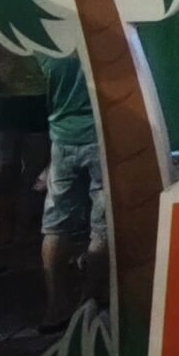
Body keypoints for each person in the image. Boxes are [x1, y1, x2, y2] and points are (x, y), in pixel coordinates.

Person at [41, 54, 108, 332]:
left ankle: (56, 306)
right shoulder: (101, 43)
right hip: (101, 136)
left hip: (61, 137)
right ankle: (88, 304)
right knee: (102, 227)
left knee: (56, 225)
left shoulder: (48, 49)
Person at [0, 42, 49, 254]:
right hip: (14, 100)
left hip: (27, 99)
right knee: (5, 169)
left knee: (20, 170)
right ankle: (4, 231)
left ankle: (12, 231)